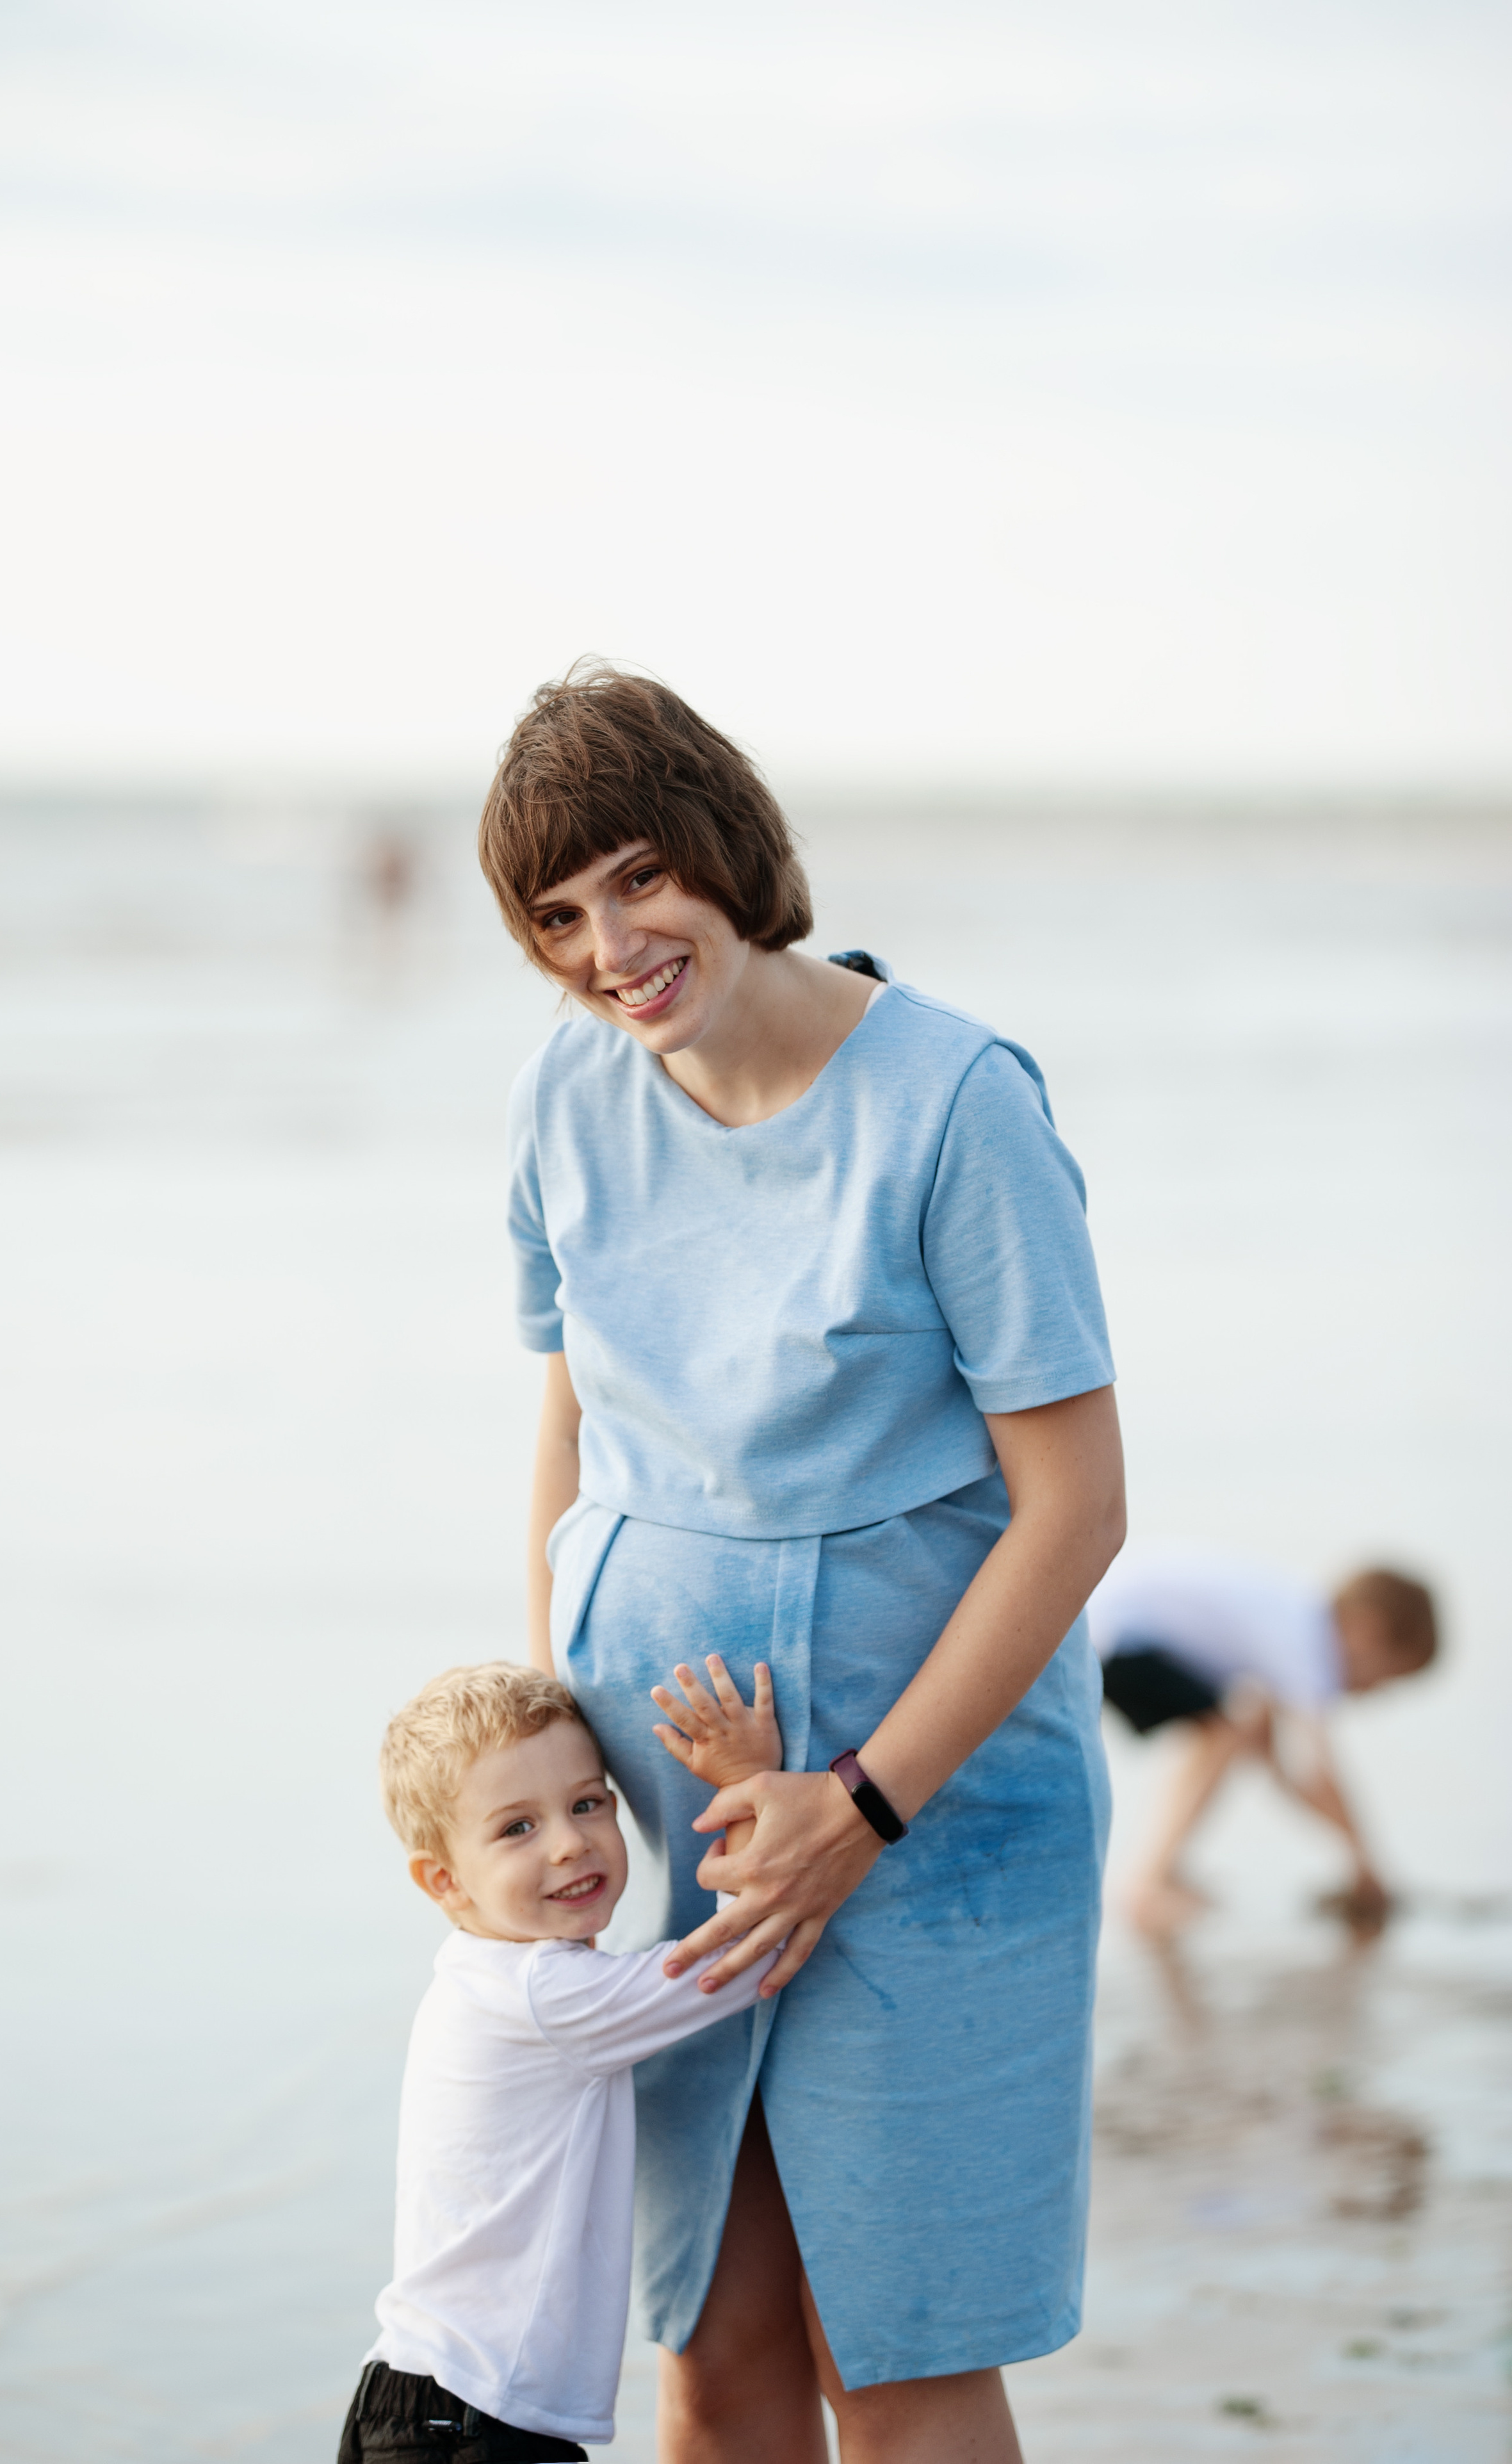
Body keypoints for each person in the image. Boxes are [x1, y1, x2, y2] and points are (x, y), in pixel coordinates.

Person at [478, 665, 1128, 2464]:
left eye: (633, 877)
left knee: (898, 2355)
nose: (610, 944)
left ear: (723, 847)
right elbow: (568, 1428)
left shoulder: (958, 1100)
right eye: (557, 914)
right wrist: (559, 1760)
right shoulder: (563, 1094)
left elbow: (1077, 1505)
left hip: (933, 1816)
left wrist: (861, 1798)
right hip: (677, 1814)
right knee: (712, 2337)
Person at [338, 1655, 782, 2463]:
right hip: (477, 2419)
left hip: (414, 2399)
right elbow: (746, 1951)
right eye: (518, 1827)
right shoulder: (549, 1994)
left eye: (587, 1804)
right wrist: (750, 1785)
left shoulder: (479, 1979)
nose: (570, 1844)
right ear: (444, 1881)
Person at [1090, 1542, 1439, 1934]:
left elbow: (1282, 1767)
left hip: (1108, 1620)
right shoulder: (1304, 1645)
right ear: (1365, 1630)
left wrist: (1351, 1855)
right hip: (1117, 1633)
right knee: (1225, 1731)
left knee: (1238, 1728)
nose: (1373, 1692)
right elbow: (1319, 1773)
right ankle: (1149, 1883)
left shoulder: (1293, 1617)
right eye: (1385, 1676)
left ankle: (1160, 1873)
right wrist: (1364, 1861)